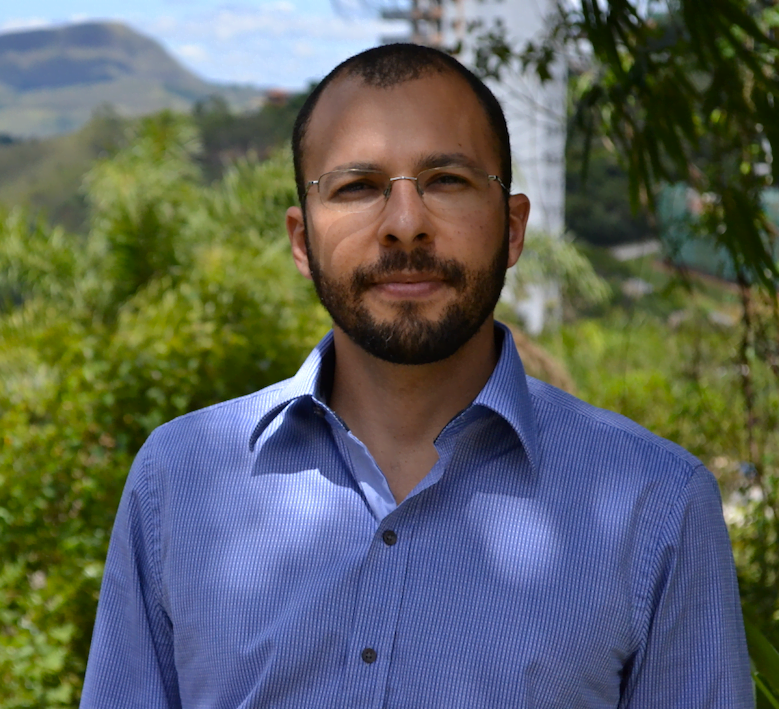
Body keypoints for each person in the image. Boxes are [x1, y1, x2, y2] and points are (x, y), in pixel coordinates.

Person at [80, 44, 752, 708]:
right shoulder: (178, 478)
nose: (405, 226)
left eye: (448, 181)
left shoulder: (656, 503)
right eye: (357, 187)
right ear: (300, 241)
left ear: (512, 229)